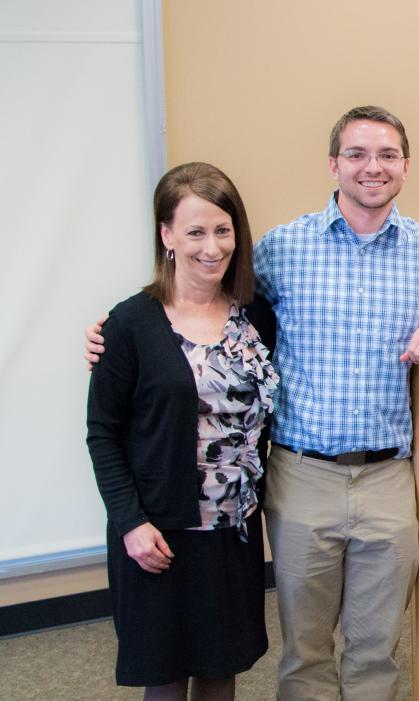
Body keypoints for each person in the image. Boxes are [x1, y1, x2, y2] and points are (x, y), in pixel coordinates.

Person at [88, 106, 419, 700]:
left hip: (389, 476)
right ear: (333, 165)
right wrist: (116, 327)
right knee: (305, 651)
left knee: (376, 648)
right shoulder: (283, 250)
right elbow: (204, 295)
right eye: (358, 154)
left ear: (406, 166)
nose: (373, 167)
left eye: (387, 155)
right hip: (300, 475)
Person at [86, 162, 278, 701]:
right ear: (167, 235)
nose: (212, 247)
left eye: (223, 229)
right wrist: (129, 523)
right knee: (167, 682)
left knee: (221, 673)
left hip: (233, 533)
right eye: (195, 231)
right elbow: (102, 433)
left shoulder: (258, 315)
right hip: (158, 537)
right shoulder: (129, 325)